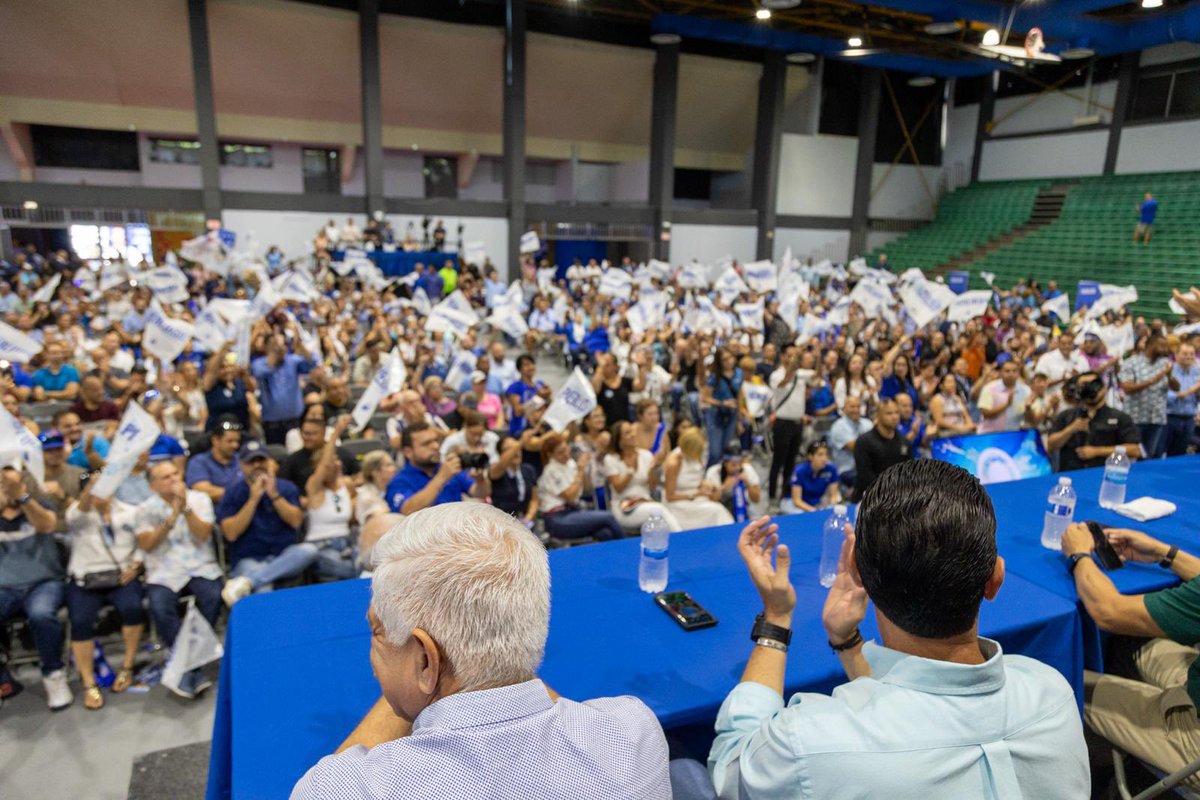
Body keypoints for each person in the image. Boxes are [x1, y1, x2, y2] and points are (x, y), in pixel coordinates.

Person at [705, 460, 1089, 798]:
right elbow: (911, 701)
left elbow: (731, 767)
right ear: (995, 580)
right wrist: (846, 642)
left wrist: (777, 618)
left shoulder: (809, 742)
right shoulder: (1053, 693)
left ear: (856, 569)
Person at [290, 503, 671, 799]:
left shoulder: (345, 789)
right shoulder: (633, 733)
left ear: (426, 659)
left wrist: (412, 680)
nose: (372, 664)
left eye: (377, 633)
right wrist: (496, 644)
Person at [1060, 522, 1199, 791]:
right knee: (1133, 642)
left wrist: (1079, 555)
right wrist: (1165, 553)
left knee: (1063, 686)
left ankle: (1096, 777)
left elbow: (1108, 612)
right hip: (1193, 683)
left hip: (1193, 736)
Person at [136, 460, 224, 699]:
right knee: (159, 605)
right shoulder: (145, 509)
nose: (174, 479)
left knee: (213, 596)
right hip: (164, 570)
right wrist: (171, 517)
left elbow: (204, 534)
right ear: (153, 485)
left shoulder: (199, 499)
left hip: (199, 565)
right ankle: (190, 665)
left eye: (176, 473)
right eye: (166, 477)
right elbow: (146, 544)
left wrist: (185, 509)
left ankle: (185, 666)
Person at [65, 473, 145, 709]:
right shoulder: (78, 514)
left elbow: (143, 543)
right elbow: (77, 514)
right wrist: (90, 487)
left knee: (133, 608)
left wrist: (136, 565)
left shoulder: (130, 512)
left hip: (121, 575)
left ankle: (127, 666)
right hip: (85, 579)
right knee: (80, 621)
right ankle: (89, 682)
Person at [0, 465, 72, 710]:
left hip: (43, 583)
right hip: (5, 588)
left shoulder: (40, 505)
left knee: (41, 615)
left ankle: (54, 674)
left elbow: (47, 525)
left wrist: (21, 497)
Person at [216, 440, 313, 606]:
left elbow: (296, 521)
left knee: (309, 550)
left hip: (284, 555)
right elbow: (230, 534)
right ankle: (273, 629)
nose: (256, 465)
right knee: (264, 588)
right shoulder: (233, 492)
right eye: (251, 462)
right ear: (241, 465)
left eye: (260, 460)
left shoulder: (285, 487)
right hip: (248, 558)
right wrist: (253, 499)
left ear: (269, 461)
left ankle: (248, 582)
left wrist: (274, 495)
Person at [386, 422, 491, 514]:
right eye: (427, 443)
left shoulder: (448, 468)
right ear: (408, 452)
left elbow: (481, 492)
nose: (436, 446)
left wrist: (480, 479)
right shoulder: (399, 481)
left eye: (436, 441)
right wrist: (441, 478)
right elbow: (407, 510)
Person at [537, 432, 624, 541]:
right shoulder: (550, 471)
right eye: (560, 452)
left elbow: (587, 490)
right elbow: (571, 497)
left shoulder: (570, 463)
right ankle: (631, 553)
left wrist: (587, 468)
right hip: (556, 518)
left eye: (566, 449)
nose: (566, 454)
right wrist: (580, 470)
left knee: (605, 533)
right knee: (608, 517)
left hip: (573, 511)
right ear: (550, 455)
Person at [1048, 372, 1142, 472]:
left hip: (1104, 473)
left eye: (1093, 385)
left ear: (1104, 388)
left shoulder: (1119, 417)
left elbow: (1134, 450)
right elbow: (1051, 445)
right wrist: (1070, 429)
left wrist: (1097, 451)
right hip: (1071, 473)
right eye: (1083, 386)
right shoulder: (1067, 416)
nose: (1089, 389)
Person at [304, 416, 359, 581]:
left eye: (337, 461)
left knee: (369, 560)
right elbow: (325, 465)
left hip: (347, 543)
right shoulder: (314, 487)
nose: (335, 464)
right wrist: (336, 432)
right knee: (351, 570)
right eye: (331, 461)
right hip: (322, 546)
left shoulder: (346, 485)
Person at [604, 421, 682, 534]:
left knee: (662, 510)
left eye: (632, 431)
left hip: (645, 501)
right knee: (659, 510)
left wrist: (652, 471)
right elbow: (618, 488)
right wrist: (630, 470)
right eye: (627, 433)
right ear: (619, 440)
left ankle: (675, 540)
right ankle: (681, 538)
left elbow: (653, 487)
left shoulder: (646, 455)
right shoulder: (610, 459)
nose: (633, 434)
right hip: (624, 507)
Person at [1119, 334, 1178, 459]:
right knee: (1131, 456)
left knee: (1148, 457)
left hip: (1157, 418)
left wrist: (1169, 375)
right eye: (1162, 345)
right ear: (1150, 345)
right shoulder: (1131, 362)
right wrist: (1154, 379)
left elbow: (1176, 388)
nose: (1166, 349)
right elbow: (1127, 388)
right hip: (1135, 418)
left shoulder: (1165, 363)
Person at [252, 329, 315, 445]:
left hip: (295, 420)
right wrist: (274, 355)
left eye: (282, 343)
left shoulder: (292, 361)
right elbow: (259, 373)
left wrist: (301, 346)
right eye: (274, 344)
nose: (279, 347)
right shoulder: (259, 363)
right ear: (266, 347)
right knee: (276, 454)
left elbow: (312, 363)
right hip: (272, 423)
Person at [664, 427, 734, 529]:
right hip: (678, 502)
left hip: (696, 495)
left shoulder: (696, 455)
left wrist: (705, 484)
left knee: (718, 508)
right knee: (717, 511)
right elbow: (669, 497)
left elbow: (693, 477)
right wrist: (695, 494)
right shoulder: (674, 463)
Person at [766, 348, 810, 505]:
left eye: (795, 356)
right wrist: (792, 366)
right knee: (778, 461)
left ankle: (785, 495)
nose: (793, 359)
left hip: (797, 423)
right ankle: (771, 496)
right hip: (782, 423)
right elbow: (783, 382)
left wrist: (817, 356)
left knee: (791, 461)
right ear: (782, 356)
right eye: (789, 355)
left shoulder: (801, 375)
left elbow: (817, 376)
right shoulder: (775, 375)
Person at [280, 413, 360, 497]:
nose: (307, 438)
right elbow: (284, 485)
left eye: (312, 434)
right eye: (305, 433)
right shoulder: (292, 461)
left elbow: (358, 474)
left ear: (324, 433)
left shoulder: (343, 454)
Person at [852, 398, 911, 502]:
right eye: (889, 413)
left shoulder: (904, 441)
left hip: (899, 496)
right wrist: (887, 493)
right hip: (869, 496)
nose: (894, 417)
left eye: (896, 412)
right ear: (878, 416)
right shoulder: (864, 442)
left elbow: (909, 471)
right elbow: (865, 475)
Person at [185, 414, 244, 503]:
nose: (235, 445)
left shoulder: (243, 459)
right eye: (230, 441)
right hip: (216, 511)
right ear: (215, 440)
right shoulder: (199, 462)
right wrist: (243, 494)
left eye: (237, 441)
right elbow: (203, 490)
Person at [701, 349, 743, 467]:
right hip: (716, 415)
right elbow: (705, 398)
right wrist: (722, 403)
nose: (729, 362)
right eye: (724, 360)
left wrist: (739, 419)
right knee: (715, 452)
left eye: (730, 358)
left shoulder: (739, 373)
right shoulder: (714, 377)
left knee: (725, 449)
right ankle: (709, 475)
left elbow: (739, 396)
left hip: (732, 415)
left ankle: (720, 476)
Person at [703, 444, 762, 523]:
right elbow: (711, 501)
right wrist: (724, 486)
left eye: (740, 464)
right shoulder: (713, 472)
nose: (737, 468)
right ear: (724, 463)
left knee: (758, 523)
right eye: (733, 465)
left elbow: (756, 500)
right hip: (721, 508)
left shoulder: (747, 469)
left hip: (744, 507)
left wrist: (748, 484)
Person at [781, 441, 840, 514]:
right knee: (801, 515)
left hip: (816, 502)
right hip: (794, 503)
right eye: (820, 455)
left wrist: (832, 506)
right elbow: (797, 501)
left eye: (826, 455)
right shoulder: (800, 471)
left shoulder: (831, 469)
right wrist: (814, 511)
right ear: (810, 457)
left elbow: (833, 496)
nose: (824, 459)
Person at [828, 395, 872, 492]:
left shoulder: (867, 423)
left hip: (867, 468)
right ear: (844, 408)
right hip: (847, 470)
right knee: (872, 482)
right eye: (852, 406)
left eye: (858, 406)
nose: (856, 410)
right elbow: (856, 448)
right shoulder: (838, 427)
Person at [976, 358, 1031, 434]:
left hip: (1014, 435)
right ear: (1001, 373)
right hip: (990, 435)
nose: (1011, 374)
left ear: (1018, 373)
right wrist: (1006, 405)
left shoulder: (1026, 390)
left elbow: (1029, 418)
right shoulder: (989, 388)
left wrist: (1028, 409)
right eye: (1007, 371)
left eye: (1014, 371)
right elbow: (986, 414)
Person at [1166, 342, 1200, 456]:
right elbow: (1166, 396)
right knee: (1164, 452)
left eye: (1191, 354)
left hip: (1190, 419)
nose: (1189, 356)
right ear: (1176, 355)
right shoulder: (1169, 371)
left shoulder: (1197, 372)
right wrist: (1189, 391)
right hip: (1170, 417)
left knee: (1180, 454)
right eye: (1185, 353)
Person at [1035, 333, 1090, 398]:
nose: (1066, 346)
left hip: (1076, 402)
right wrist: (1061, 379)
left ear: (1073, 344)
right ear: (1058, 343)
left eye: (1069, 343)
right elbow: (1038, 384)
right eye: (1063, 344)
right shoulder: (1046, 359)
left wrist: (1078, 378)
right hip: (1053, 402)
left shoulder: (1081, 359)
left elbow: (1089, 381)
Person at [928, 372, 975, 439]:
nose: (953, 384)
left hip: (962, 428)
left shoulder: (957, 398)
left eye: (954, 382)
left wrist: (970, 424)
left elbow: (966, 415)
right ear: (941, 385)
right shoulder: (937, 399)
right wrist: (959, 428)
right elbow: (940, 422)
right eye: (949, 382)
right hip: (947, 432)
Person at [355, 450, 396, 527]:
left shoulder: (391, 489)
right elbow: (383, 520)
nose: (394, 469)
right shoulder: (366, 496)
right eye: (388, 465)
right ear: (376, 473)